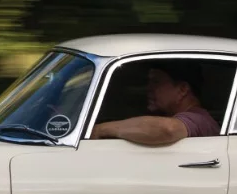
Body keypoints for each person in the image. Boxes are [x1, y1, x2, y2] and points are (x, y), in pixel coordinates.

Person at [91, 61, 219, 145]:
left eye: (156, 82)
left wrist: (100, 130)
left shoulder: (199, 119)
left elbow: (168, 129)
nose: (149, 88)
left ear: (182, 89)